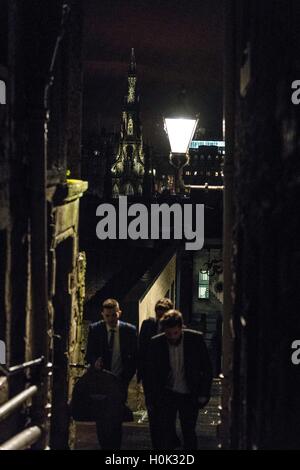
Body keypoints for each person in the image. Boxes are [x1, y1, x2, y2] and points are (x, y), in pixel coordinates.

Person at [147, 309, 213, 450]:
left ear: (181, 328)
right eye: (168, 334)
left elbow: (207, 368)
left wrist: (204, 393)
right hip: (167, 393)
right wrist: (153, 398)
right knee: (166, 432)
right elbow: (151, 373)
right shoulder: (157, 343)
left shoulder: (195, 339)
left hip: (188, 392)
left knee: (188, 431)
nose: (172, 337)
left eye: (175, 333)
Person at [85, 298, 137, 449]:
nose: (111, 319)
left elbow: (134, 357)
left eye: (113, 315)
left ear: (119, 313)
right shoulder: (95, 329)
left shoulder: (129, 330)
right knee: (101, 418)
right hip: (101, 380)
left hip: (120, 380)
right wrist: (95, 362)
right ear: (103, 315)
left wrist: (126, 378)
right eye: (107, 316)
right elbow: (89, 354)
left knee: (116, 417)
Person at [137, 298, 180, 448]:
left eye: (163, 316)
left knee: (168, 414)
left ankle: (169, 440)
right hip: (151, 379)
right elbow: (141, 350)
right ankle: (157, 445)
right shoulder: (148, 325)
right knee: (153, 413)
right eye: (158, 315)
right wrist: (141, 375)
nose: (160, 319)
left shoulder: (176, 329)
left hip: (170, 379)